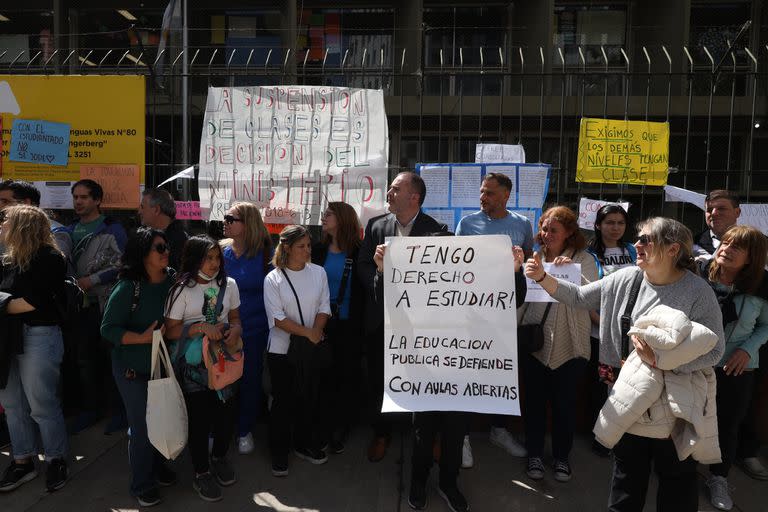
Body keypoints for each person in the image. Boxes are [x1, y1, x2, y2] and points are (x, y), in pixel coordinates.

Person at [525, 216, 725, 511]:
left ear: (673, 250)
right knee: (626, 480)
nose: (637, 245)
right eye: (639, 238)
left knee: (677, 482)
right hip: (626, 396)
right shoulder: (625, 278)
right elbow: (580, 297)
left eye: (647, 239)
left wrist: (661, 362)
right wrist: (543, 277)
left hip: (675, 404)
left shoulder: (698, 292)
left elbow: (715, 350)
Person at [407, 230, 528, 512]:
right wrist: (381, 270)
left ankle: (449, 483)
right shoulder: (417, 278)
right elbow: (387, 300)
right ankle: (418, 481)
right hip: (425, 370)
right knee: (423, 435)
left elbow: (512, 299)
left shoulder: (476, 279)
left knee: (455, 435)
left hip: (463, 373)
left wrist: (514, 272)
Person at [357, 171, 446, 463]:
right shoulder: (375, 227)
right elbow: (363, 268)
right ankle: (381, 434)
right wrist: (380, 277)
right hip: (381, 322)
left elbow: (444, 280)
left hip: (420, 327)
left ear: (414, 197)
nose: (389, 193)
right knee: (379, 381)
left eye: (396, 189)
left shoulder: (439, 231)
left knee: (423, 381)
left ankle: (429, 437)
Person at [455, 172, 533, 466]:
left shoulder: (522, 225)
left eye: (489, 193)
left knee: (501, 371)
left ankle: (499, 430)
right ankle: (460, 436)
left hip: (505, 314)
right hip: (471, 312)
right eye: (482, 192)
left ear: (506, 196)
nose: (483, 197)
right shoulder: (467, 223)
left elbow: (525, 265)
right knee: (465, 371)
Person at [517, 205, 598, 483]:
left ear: (569, 233)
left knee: (565, 406)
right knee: (534, 405)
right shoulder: (534, 257)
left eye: (554, 229)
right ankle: (535, 454)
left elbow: (590, 296)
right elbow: (522, 300)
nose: (546, 233)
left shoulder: (584, 259)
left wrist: (572, 272)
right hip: (535, 344)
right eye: (544, 228)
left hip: (572, 346)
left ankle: (562, 457)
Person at [100, 227, 177, 507]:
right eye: (159, 248)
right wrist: (142, 338)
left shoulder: (172, 279)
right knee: (142, 429)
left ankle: (156, 468)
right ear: (143, 254)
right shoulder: (127, 287)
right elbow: (108, 330)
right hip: (131, 369)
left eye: (166, 246)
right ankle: (142, 484)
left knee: (162, 420)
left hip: (161, 365)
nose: (166, 251)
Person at [164, 235, 242, 502]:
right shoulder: (181, 290)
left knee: (226, 414)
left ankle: (219, 457)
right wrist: (198, 327)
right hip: (192, 365)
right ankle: (201, 472)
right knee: (199, 420)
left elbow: (234, 318)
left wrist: (235, 331)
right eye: (208, 258)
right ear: (194, 259)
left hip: (221, 359)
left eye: (217, 257)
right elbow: (170, 330)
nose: (214, 263)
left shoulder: (229, 285)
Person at [0, 205, 68, 493]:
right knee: (12, 404)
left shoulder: (50, 258)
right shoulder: (8, 259)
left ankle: (56, 459)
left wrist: (2, 303)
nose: (0, 225)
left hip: (37, 335)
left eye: (5, 220)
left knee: (42, 403)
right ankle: (23, 459)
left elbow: (32, 302)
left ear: (21, 225)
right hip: (7, 336)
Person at [701, 225, 768, 511]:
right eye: (725, 243)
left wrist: (747, 349)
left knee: (728, 426)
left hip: (735, 368)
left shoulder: (762, 286)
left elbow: (765, 326)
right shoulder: (699, 274)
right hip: (696, 365)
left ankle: (718, 477)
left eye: (736, 247)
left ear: (751, 258)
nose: (726, 249)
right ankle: (678, 470)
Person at [264, 225, 331, 476]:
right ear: (288, 248)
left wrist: (315, 331)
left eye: (309, 246)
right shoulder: (273, 278)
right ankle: (279, 452)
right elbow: (277, 319)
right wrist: (310, 333)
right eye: (301, 246)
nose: (307, 250)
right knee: (283, 402)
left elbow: (325, 305)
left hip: (311, 349)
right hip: (282, 351)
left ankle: (303, 445)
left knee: (308, 398)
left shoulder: (319, 273)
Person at [62, 179, 128, 433]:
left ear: (97, 200)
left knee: (112, 359)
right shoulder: (67, 231)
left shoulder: (112, 229)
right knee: (84, 360)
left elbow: (124, 264)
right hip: (80, 307)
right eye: (76, 197)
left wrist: (94, 279)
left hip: (106, 304)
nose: (78, 202)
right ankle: (90, 410)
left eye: (84, 197)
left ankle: (120, 411)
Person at [219, 202, 272, 455]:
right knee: (218, 381)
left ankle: (244, 429)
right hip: (222, 330)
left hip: (254, 329)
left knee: (250, 380)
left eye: (232, 218)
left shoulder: (265, 254)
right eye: (226, 217)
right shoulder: (219, 252)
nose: (226, 222)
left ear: (247, 223)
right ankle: (216, 431)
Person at [312, 201, 364, 454]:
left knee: (344, 377)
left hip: (348, 326)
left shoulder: (359, 251)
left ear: (342, 219)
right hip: (321, 323)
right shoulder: (317, 250)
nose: (323, 217)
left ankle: (340, 427)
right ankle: (323, 426)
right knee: (323, 377)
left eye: (329, 213)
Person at [586, 204, 636, 455]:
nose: (615, 227)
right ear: (598, 225)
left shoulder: (633, 251)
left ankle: (620, 435)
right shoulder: (589, 254)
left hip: (630, 337)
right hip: (601, 334)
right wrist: (602, 323)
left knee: (625, 386)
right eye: (609, 222)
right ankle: (600, 437)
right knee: (602, 385)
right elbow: (586, 295)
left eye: (620, 223)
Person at [0, 179, 72, 265]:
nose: (1, 207)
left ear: (26, 203)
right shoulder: (4, 229)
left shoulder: (56, 232)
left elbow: (52, 265)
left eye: (5, 201)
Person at [138, 188, 188, 271]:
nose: (139, 211)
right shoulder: (145, 235)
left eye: (142, 207)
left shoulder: (180, 241)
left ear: (156, 210)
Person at [693, 189, 741, 265]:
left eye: (721, 209)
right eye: (709, 209)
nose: (714, 213)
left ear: (737, 212)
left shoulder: (754, 242)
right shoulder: (692, 243)